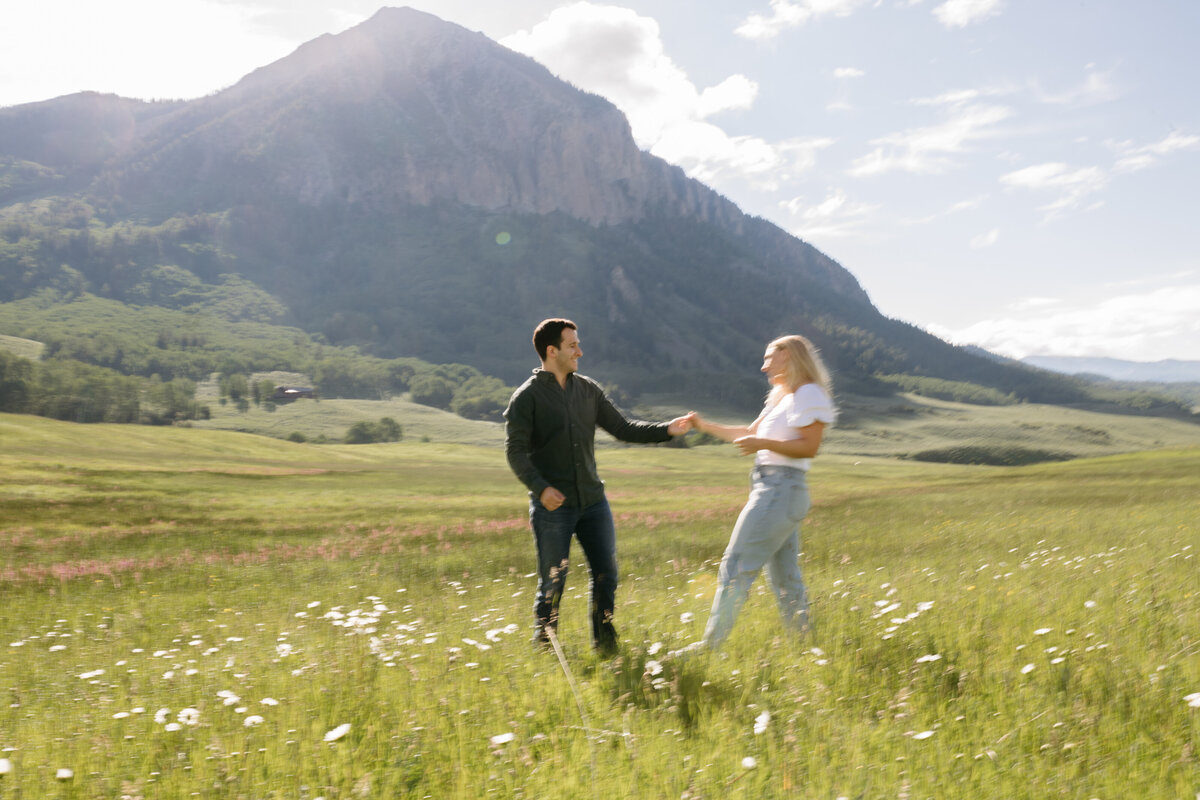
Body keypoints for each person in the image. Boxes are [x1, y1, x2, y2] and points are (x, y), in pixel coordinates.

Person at [504, 318, 692, 655]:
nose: (580, 350)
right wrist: (540, 488)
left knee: (607, 574)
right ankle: (547, 650)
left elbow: (623, 428)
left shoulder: (588, 389)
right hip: (553, 509)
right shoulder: (526, 398)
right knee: (553, 583)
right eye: (572, 345)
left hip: (593, 502)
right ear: (552, 351)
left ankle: (605, 646)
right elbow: (515, 452)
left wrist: (668, 429)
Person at [685, 334, 836, 651]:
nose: (763, 366)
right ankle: (805, 647)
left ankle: (709, 647)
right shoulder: (781, 397)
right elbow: (748, 434)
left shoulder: (808, 392)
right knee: (784, 577)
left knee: (736, 564)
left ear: (789, 357)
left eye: (769, 358)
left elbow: (810, 447)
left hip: (781, 490)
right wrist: (702, 425)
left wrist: (762, 445)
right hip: (775, 489)